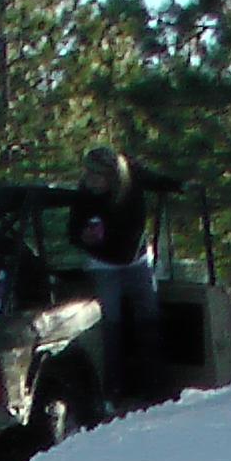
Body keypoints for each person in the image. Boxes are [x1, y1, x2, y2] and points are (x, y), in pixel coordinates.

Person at [70, 147, 161, 402]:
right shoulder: (84, 196)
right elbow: (72, 232)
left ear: (111, 176)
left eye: (96, 175)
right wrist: (86, 238)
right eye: (88, 174)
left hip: (137, 261)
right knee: (110, 325)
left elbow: (158, 181)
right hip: (104, 266)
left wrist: (182, 185)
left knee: (149, 320)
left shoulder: (131, 184)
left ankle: (154, 386)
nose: (90, 180)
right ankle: (113, 391)